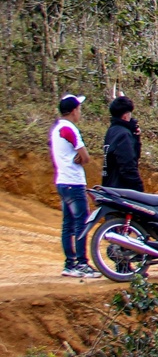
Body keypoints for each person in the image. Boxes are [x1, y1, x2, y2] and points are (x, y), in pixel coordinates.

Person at [51, 95, 91, 278]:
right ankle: (82, 263)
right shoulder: (70, 129)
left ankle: (70, 263)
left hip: (62, 181)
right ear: (74, 110)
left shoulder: (57, 128)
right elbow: (86, 157)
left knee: (68, 224)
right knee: (81, 222)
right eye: (79, 109)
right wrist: (80, 158)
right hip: (73, 182)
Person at [103, 96, 145, 192]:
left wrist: (135, 137)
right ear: (125, 116)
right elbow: (128, 165)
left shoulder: (111, 131)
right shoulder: (124, 134)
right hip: (122, 191)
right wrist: (138, 187)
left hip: (109, 186)